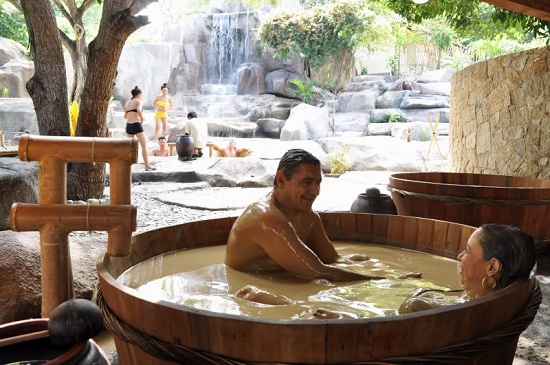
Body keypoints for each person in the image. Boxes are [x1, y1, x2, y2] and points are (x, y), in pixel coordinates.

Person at [225, 148, 385, 282]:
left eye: (318, 183)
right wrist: (382, 282)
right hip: (250, 286)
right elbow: (319, 271)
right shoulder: (266, 219)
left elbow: (333, 260)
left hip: (284, 281)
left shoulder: (309, 218)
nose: (315, 191)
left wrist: (375, 267)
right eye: (307, 182)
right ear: (281, 180)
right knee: (321, 284)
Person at [399, 222, 536, 313]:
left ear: (492, 267)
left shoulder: (417, 307)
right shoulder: (497, 306)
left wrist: (414, 296)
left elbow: (409, 307)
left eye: (467, 251)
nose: (459, 256)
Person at [124, 86, 155, 171]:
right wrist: (142, 118)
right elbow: (139, 110)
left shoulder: (127, 103)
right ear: (139, 94)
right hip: (136, 124)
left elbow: (125, 116)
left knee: (129, 147)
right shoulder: (138, 101)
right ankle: (147, 165)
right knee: (144, 146)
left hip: (128, 126)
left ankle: (127, 166)